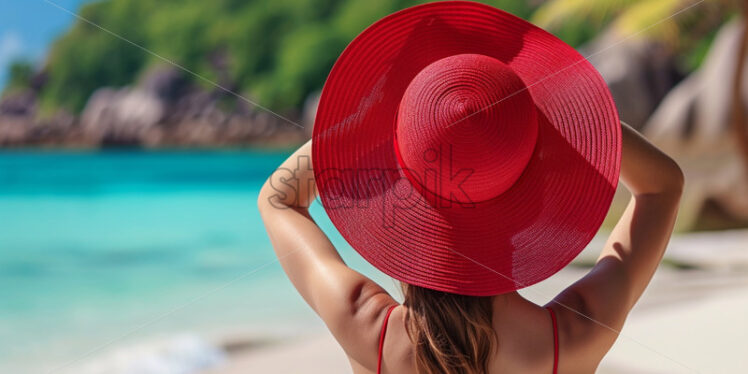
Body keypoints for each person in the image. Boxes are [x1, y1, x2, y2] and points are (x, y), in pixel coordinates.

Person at [258, 3, 683, 373]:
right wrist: (572, 121)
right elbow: (661, 186)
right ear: (527, 206)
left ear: (402, 205)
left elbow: (280, 199)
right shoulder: (572, 339)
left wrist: (373, 119)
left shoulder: (366, 329)